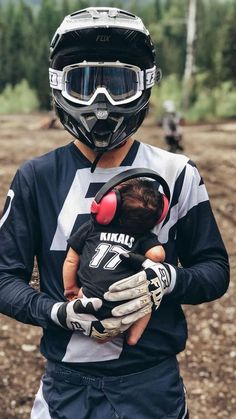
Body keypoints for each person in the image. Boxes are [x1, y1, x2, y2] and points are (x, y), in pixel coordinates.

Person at [0, 7, 229, 419]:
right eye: (84, 84)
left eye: (118, 85)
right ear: (58, 87)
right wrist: (57, 312)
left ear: (144, 86)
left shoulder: (178, 173)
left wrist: (168, 280)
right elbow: (2, 276)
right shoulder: (35, 177)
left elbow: (214, 269)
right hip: (64, 386)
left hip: (150, 384)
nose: (100, 102)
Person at [63, 175, 167, 345]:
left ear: (109, 206)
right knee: (146, 305)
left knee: (84, 304)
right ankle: (133, 337)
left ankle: (99, 334)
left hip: (89, 294)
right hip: (125, 299)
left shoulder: (93, 227)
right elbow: (157, 256)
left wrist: (71, 289)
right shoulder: (143, 236)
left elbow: (71, 260)